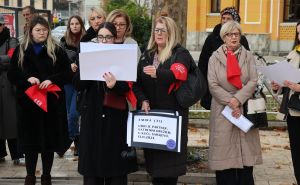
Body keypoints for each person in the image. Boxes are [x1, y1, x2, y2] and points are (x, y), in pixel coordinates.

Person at [7, 15, 70, 185]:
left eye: (44, 29)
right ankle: (30, 176)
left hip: (51, 104)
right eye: (38, 30)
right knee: (30, 144)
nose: (42, 33)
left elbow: (67, 73)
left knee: (48, 144)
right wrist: (27, 79)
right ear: (31, 31)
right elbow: (12, 74)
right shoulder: (21, 50)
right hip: (28, 105)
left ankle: (46, 176)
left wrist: (53, 80)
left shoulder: (57, 49)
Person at [73, 22, 138, 185]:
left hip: (114, 117)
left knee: (114, 164)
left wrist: (114, 85)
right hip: (92, 115)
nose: (104, 40)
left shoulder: (123, 56)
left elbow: (129, 86)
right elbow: (77, 84)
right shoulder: (88, 54)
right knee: (92, 164)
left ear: (114, 38)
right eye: (101, 37)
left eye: (108, 37)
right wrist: (88, 74)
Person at [133, 16, 191, 185]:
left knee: (169, 173)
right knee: (155, 173)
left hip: (172, 120)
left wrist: (158, 73)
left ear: (171, 33)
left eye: (162, 30)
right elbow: (136, 84)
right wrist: (143, 100)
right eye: (156, 30)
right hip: (152, 121)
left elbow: (177, 74)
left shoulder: (180, 53)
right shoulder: (147, 55)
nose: (158, 33)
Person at [207, 21, 262, 185]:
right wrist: (230, 101)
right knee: (225, 161)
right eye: (230, 34)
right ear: (224, 37)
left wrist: (238, 100)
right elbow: (212, 84)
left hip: (244, 107)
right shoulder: (214, 58)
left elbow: (253, 80)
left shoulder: (248, 56)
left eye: (237, 34)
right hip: (222, 110)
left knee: (246, 160)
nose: (234, 37)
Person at [198, 7, 250, 110]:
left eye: (228, 18)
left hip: (237, 89)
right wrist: (203, 87)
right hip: (216, 89)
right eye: (223, 18)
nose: (225, 21)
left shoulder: (242, 40)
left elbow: (247, 64)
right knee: (218, 120)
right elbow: (203, 63)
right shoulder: (212, 38)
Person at [271, 21, 300, 184]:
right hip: (293, 111)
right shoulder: (294, 53)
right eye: (298, 33)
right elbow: (287, 80)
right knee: (296, 153)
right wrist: (278, 86)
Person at [60, 15, 86, 157]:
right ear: (69, 26)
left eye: (77, 23)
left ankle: (64, 143)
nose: (74, 26)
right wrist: (68, 65)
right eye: (72, 24)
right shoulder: (64, 42)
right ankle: (77, 144)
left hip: (81, 82)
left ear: (81, 25)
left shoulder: (87, 39)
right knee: (70, 115)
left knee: (75, 113)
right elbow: (58, 62)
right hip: (68, 82)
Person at [0, 14, 24, 165]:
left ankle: (17, 155)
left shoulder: (12, 40)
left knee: (11, 122)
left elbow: (12, 59)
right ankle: (1, 154)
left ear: (2, 26)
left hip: (8, 87)